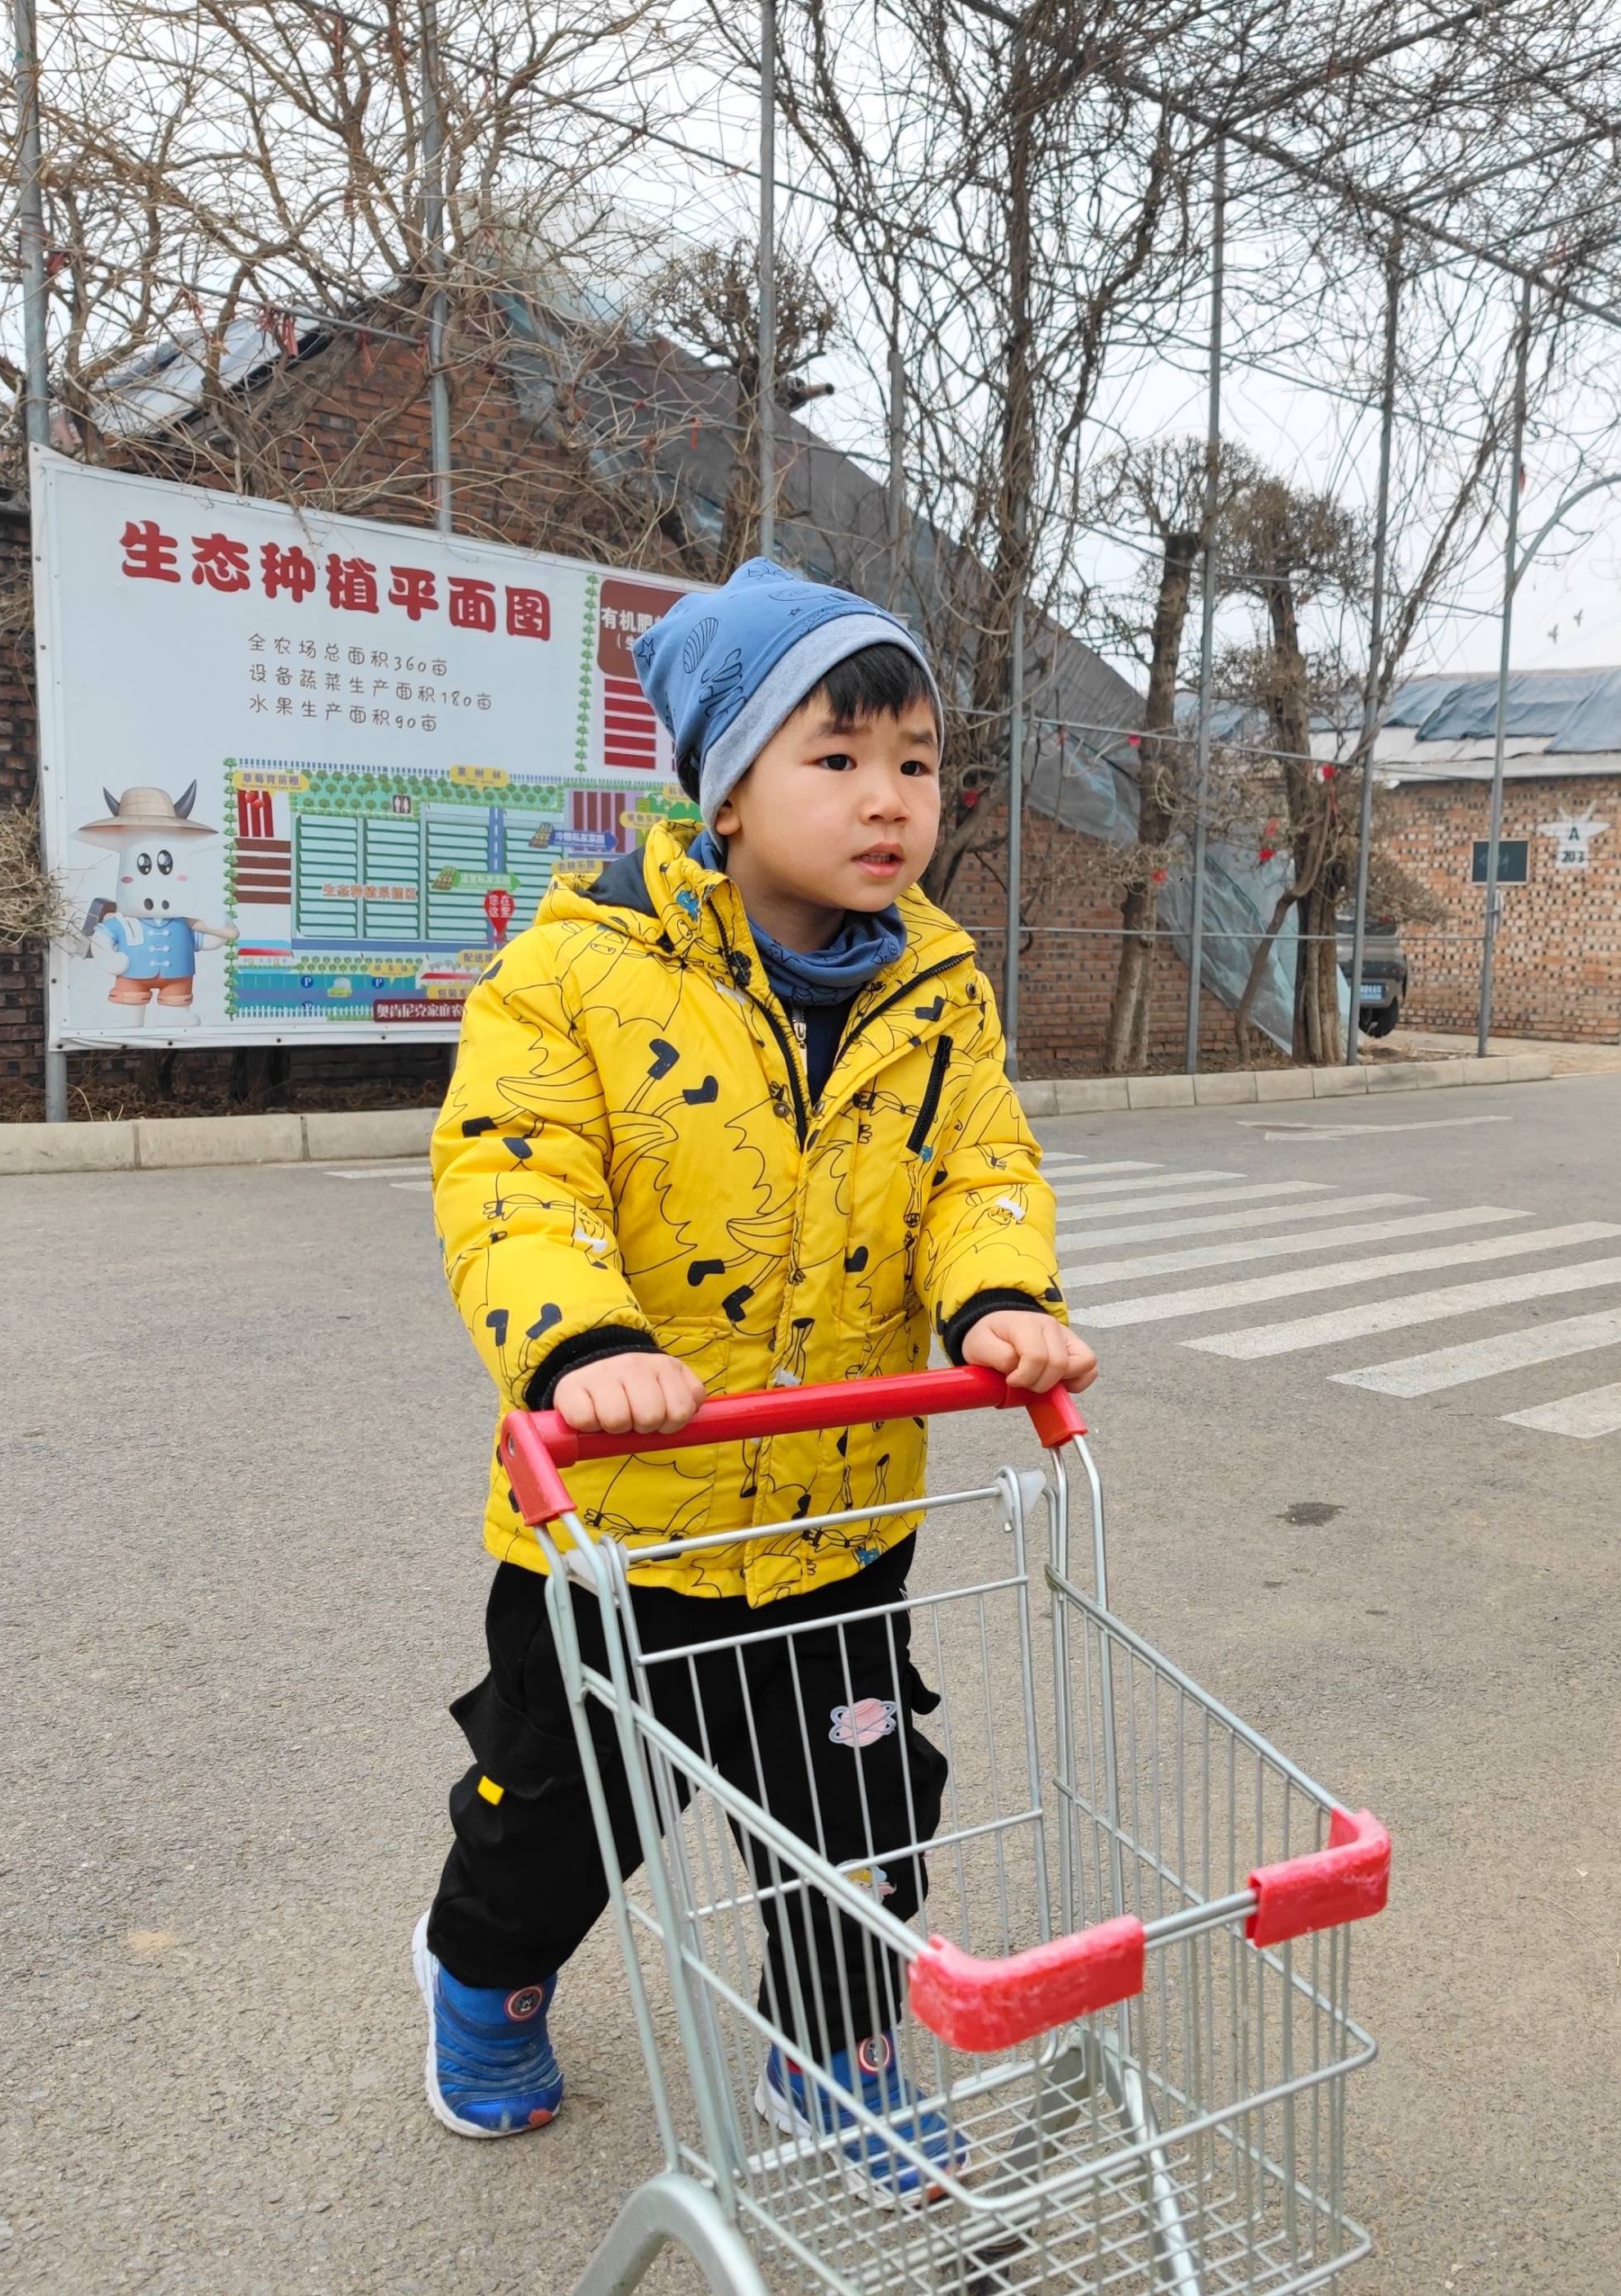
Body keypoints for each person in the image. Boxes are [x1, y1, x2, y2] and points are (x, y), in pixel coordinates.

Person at [411, 559, 1097, 2204]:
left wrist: (1001, 1302)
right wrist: (587, 1345)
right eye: (837, 758)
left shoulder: (937, 990)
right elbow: (513, 1178)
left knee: (858, 1809)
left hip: (837, 1521)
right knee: (555, 1813)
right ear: (723, 793)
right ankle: (481, 1980)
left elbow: (979, 1171)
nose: (888, 801)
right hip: (615, 1526)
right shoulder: (572, 973)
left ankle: (833, 2048)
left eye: (916, 762)